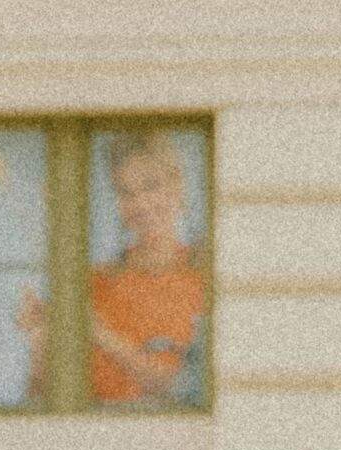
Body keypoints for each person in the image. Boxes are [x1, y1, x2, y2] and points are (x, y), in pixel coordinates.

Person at [17, 127, 205, 408]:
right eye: (125, 192)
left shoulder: (206, 277)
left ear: (177, 186)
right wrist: (39, 344)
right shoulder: (95, 283)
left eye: (151, 186)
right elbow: (39, 401)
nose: (140, 203)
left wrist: (100, 334)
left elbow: (183, 389)